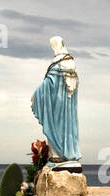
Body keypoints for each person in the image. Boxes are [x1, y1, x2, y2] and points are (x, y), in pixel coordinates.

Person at [31, 36, 81, 172]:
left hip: (57, 104)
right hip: (69, 105)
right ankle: (70, 153)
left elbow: (50, 83)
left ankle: (58, 156)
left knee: (56, 127)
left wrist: (36, 94)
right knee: (69, 127)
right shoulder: (71, 62)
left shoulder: (58, 62)